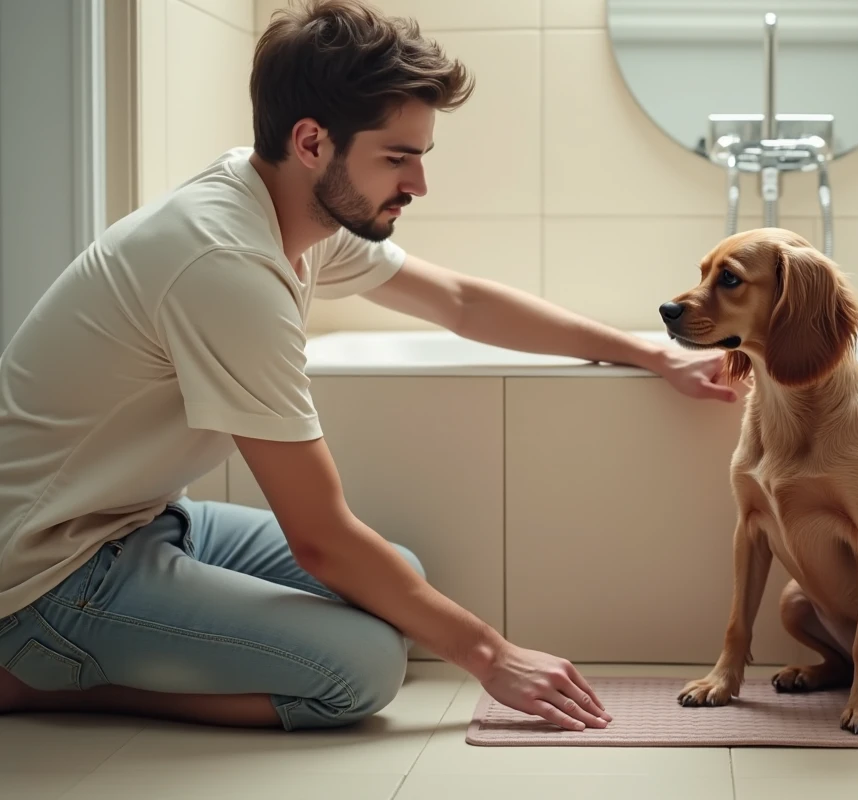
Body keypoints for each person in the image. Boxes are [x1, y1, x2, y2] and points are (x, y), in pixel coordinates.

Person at [0, 0, 740, 733]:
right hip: (47, 575)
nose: (418, 183)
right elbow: (319, 535)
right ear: (312, 141)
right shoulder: (225, 265)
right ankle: (30, 681)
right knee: (358, 670)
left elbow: (459, 302)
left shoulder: (284, 203)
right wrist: (494, 656)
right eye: (397, 157)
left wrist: (651, 351)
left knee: (398, 575)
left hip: (142, 523)